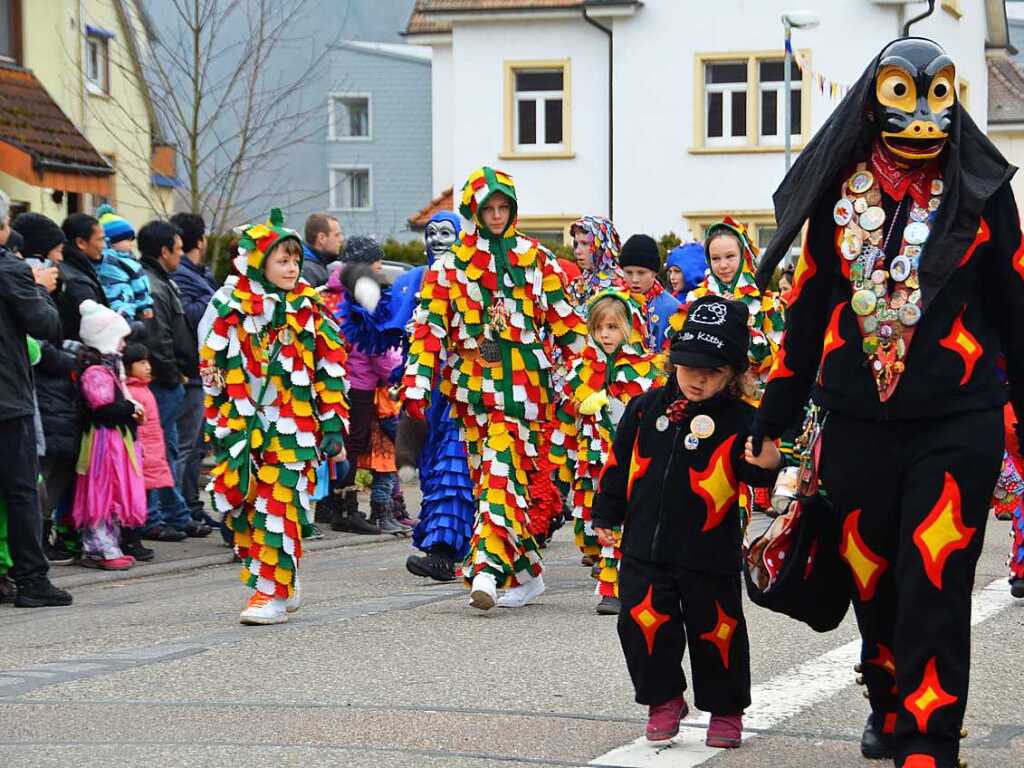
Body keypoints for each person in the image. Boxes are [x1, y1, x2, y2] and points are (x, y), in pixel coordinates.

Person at [750, 38, 1023, 768]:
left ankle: (929, 736)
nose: (923, 115)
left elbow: (1016, 309)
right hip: (855, 423)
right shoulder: (835, 191)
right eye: (905, 93)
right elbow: (804, 315)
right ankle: (887, 697)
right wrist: (771, 422)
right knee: (872, 575)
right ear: (875, 100)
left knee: (934, 574)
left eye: (938, 95)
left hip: (957, 420)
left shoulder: (984, 191)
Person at [593, 296, 780, 748]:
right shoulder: (644, 409)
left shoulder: (742, 419)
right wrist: (605, 513)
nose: (697, 378)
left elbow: (759, 470)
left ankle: (726, 708)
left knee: (717, 632)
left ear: (734, 374)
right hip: (643, 549)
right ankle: (664, 700)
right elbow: (620, 466)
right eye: (689, 365)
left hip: (707, 552)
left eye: (712, 371)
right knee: (640, 624)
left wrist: (770, 460)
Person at [401, 166, 586, 610]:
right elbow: (429, 331)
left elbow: (568, 326)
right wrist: (417, 386)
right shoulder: (450, 268)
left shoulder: (536, 259)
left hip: (524, 391)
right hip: (471, 391)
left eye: (505, 207)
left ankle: (485, 568)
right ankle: (526, 574)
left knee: (502, 471)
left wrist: (591, 374)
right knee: (492, 480)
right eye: (490, 208)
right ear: (474, 211)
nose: (498, 215)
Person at [199, 208, 349, 625]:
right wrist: (219, 419)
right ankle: (282, 575)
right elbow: (209, 364)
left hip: (292, 426)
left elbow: (331, 365)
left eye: (295, 260)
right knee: (246, 510)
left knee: (278, 505)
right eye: (282, 260)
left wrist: (332, 422)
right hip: (244, 427)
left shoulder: (309, 307)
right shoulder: (228, 305)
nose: (292, 267)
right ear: (259, 262)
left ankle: (271, 595)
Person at [553, 289, 666, 615]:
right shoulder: (579, 370)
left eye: (613, 327)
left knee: (630, 521)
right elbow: (567, 415)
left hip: (633, 464)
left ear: (629, 328)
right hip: (592, 464)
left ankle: (615, 589)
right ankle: (615, 578)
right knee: (595, 524)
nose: (605, 334)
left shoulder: (646, 371)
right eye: (599, 327)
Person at [0, 191, 72, 607]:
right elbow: (45, 324)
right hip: (7, 398)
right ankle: (31, 579)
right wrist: (39, 286)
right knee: (22, 489)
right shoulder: (10, 270)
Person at [402, 211, 475, 583]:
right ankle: (453, 546)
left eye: (447, 232)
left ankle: (443, 553)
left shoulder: (474, 279)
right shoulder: (415, 281)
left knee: (454, 468)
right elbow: (388, 327)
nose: (437, 240)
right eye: (431, 233)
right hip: (427, 397)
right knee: (436, 473)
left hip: (465, 395)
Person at [138, 220, 210, 540]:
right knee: (159, 450)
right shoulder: (154, 285)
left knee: (166, 448)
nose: (182, 255)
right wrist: (173, 375)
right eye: (178, 250)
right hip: (166, 380)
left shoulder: (164, 281)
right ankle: (155, 515)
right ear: (164, 250)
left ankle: (174, 512)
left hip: (174, 377)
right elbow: (159, 339)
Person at [335, 237, 408, 534]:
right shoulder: (362, 298)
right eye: (377, 262)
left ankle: (348, 506)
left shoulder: (355, 292)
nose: (381, 267)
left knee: (359, 445)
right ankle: (345, 507)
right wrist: (400, 370)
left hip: (358, 382)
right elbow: (376, 347)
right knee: (357, 444)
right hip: (360, 386)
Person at [71, 300, 148, 569]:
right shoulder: (95, 371)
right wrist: (129, 407)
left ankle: (108, 543)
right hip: (103, 441)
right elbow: (101, 406)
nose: (123, 346)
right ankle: (100, 547)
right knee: (102, 490)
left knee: (113, 491)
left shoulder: (109, 368)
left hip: (115, 438)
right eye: (119, 339)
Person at [680, 219, 785, 403]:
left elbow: (775, 356)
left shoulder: (767, 303)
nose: (723, 265)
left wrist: (739, 321)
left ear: (743, 256)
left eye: (730, 256)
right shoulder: (695, 299)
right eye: (715, 258)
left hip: (753, 397)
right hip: (705, 394)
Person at [169, 212, 218, 527]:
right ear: (200, 240)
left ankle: (191, 507)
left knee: (195, 446)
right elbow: (191, 315)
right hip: (189, 371)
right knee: (185, 446)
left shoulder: (196, 274)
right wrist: (212, 299)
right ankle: (180, 511)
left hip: (201, 371)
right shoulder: (184, 276)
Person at [619, 233, 681, 351]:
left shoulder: (673, 308)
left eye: (641, 273)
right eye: (628, 272)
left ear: (654, 272)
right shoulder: (615, 302)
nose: (634, 279)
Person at [95, 204, 154, 321]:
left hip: (118, 304)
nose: (131, 243)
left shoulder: (104, 258)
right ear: (111, 241)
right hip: (123, 304)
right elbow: (140, 283)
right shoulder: (127, 262)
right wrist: (145, 304)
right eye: (127, 239)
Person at [59, 213, 109, 341]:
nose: (104, 245)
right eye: (100, 239)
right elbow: (96, 327)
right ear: (81, 242)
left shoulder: (76, 269)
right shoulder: (77, 280)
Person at [566, 215, 626, 309]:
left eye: (585, 244)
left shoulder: (621, 286)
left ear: (602, 247)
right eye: (576, 244)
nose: (577, 251)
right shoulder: (578, 283)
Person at [302, 212, 344, 287]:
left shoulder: (320, 264)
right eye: (337, 235)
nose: (341, 239)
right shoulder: (307, 270)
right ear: (321, 238)